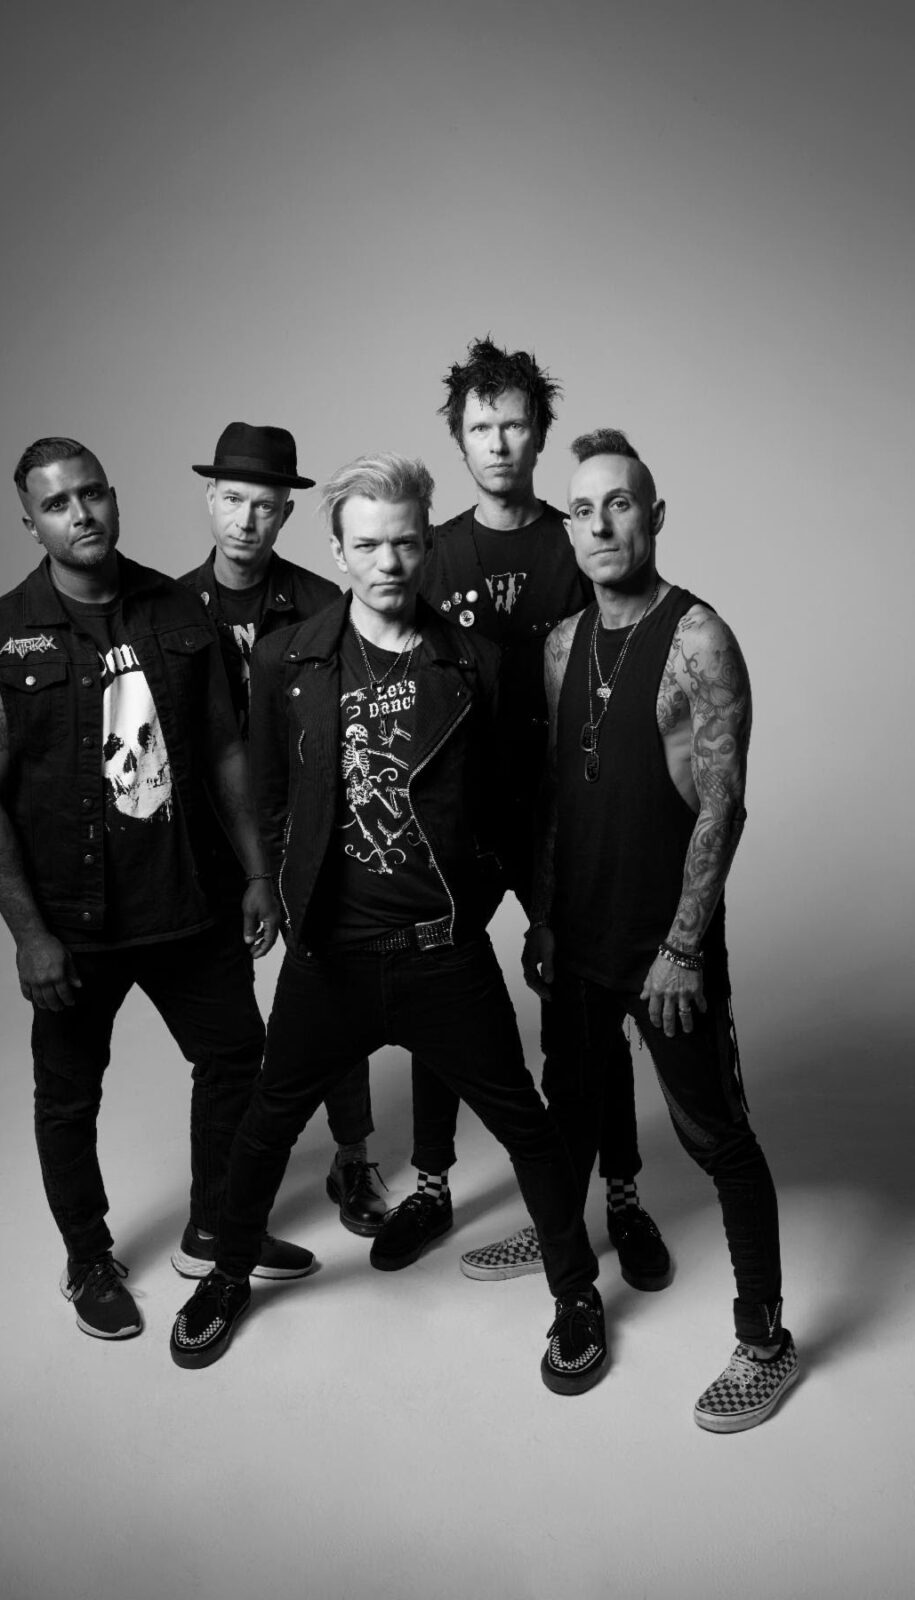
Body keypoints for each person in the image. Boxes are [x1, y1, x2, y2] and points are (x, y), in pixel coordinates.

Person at [169, 453, 607, 1396]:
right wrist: (280, 889)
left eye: (404, 543)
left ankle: (576, 1295)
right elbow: (271, 792)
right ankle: (227, 1276)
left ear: (425, 546)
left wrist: (529, 913)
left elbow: (514, 805)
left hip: (440, 951)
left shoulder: (474, 662)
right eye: (366, 546)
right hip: (330, 954)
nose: (388, 563)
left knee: (526, 1126)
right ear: (337, 551)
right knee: (266, 1125)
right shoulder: (289, 658)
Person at [0, 436, 313, 1343]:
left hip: (188, 899)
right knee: (69, 1096)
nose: (80, 515)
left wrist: (258, 873)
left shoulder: (179, 611)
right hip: (74, 923)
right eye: (56, 504)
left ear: (114, 497)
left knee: (236, 1059)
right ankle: (88, 1258)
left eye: (91, 495)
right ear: (30, 523)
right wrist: (29, 934)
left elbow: (225, 749)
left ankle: (213, 1228)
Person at [371, 336, 670, 1292]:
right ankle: (431, 1183)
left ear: (539, 434)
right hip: (455, 821)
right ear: (458, 440)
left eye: (513, 425)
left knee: (585, 1016)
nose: (497, 443)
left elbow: (627, 654)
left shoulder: (576, 537)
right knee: (438, 1005)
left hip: (560, 818)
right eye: (480, 427)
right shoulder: (431, 550)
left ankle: (621, 1196)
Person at [524, 427, 799, 1431]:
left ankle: (763, 1340)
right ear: (567, 528)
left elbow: (721, 804)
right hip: (578, 939)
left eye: (620, 504)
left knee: (713, 1134)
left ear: (653, 516)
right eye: (581, 509)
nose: (600, 525)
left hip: (661, 951)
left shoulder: (697, 639)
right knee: (569, 1107)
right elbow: (560, 802)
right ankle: (563, 1242)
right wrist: (545, 918)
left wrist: (683, 946)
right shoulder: (560, 646)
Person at [177, 421, 386, 1242]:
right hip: (206, 842)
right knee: (227, 1026)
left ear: (287, 514)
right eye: (233, 500)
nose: (246, 521)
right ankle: (232, 1192)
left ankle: (353, 1157)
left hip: (305, 831)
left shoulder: (322, 605)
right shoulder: (170, 609)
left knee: (331, 991)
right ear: (210, 499)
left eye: (265, 506)